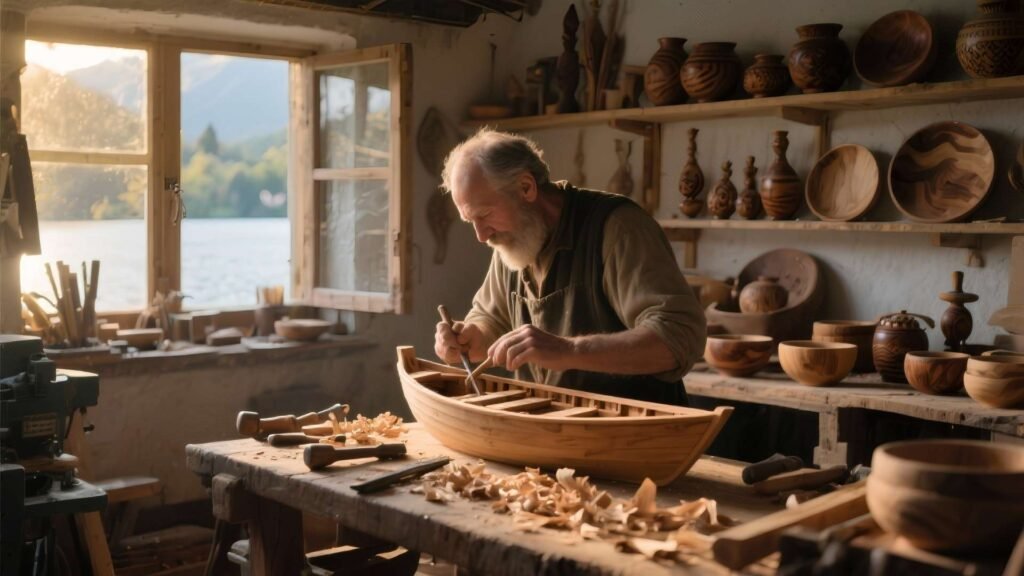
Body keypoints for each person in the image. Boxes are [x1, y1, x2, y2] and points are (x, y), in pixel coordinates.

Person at [433, 128, 705, 405]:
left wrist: (569, 350)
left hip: (634, 435)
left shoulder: (618, 228)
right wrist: (469, 339)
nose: (481, 236)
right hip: (552, 432)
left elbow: (678, 338)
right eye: (471, 222)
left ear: (525, 187)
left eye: (485, 214)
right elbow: (492, 320)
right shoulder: (511, 239)